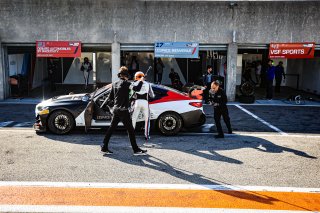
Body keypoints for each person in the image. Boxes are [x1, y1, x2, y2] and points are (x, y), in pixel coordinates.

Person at [101, 66, 147, 155]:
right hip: (123, 111)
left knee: (111, 129)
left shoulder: (115, 84)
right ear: (126, 75)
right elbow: (137, 89)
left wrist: (112, 108)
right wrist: (141, 81)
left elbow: (110, 98)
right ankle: (136, 150)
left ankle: (104, 146)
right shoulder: (126, 84)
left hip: (116, 110)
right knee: (130, 130)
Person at [131, 71, 155, 142]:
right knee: (147, 120)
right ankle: (146, 136)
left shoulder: (133, 83)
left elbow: (131, 94)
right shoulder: (148, 84)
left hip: (137, 102)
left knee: (134, 119)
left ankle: (132, 135)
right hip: (145, 103)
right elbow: (152, 95)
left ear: (136, 77)